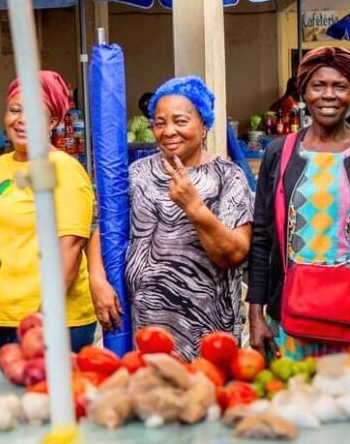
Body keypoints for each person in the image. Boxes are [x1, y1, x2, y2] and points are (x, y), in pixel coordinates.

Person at [90, 76, 254, 361]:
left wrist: (194, 207)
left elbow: (235, 253)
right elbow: (103, 227)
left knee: (206, 399)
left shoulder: (228, 176)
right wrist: (96, 278)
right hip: (148, 326)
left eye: (180, 121)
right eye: (159, 122)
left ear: (203, 125)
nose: (168, 131)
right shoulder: (136, 174)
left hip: (208, 329)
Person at [0, 71, 97, 355]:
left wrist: (43, 317)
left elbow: (71, 246)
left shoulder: (61, 167)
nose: (22, 120)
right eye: (15, 110)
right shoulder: (2, 165)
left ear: (53, 121)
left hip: (50, 321)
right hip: (6, 316)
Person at [248, 46, 350, 360]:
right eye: (318, 86)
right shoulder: (280, 153)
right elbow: (262, 237)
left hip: (346, 313)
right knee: (294, 404)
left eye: (340, 86)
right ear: (303, 91)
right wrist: (255, 314)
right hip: (291, 317)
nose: (329, 95)